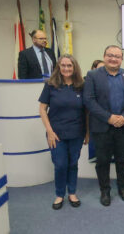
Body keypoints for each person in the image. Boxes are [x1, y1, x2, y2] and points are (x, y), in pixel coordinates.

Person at [84, 45, 124, 206]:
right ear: (104, 56)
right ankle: (105, 191)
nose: (113, 58)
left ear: (122, 59)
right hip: (102, 127)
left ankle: (123, 189)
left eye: (117, 56)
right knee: (102, 162)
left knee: (123, 161)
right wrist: (109, 118)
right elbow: (89, 100)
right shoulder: (92, 75)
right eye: (110, 55)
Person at [38, 54, 87, 210]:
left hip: (77, 133)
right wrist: (49, 131)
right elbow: (42, 109)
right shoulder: (50, 85)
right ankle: (60, 194)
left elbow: (87, 112)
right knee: (60, 165)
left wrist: (87, 133)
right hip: (56, 134)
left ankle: (72, 192)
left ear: (74, 68)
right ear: (58, 68)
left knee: (73, 164)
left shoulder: (81, 86)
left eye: (69, 66)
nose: (66, 68)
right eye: (63, 65)